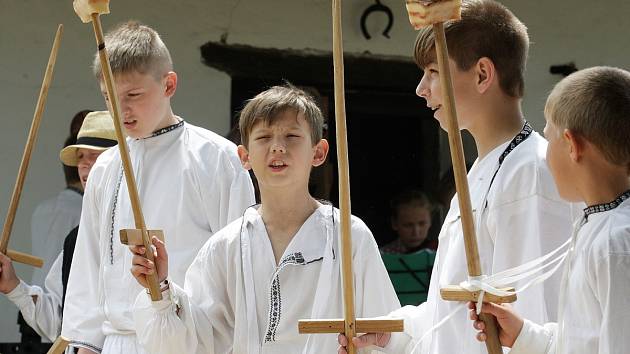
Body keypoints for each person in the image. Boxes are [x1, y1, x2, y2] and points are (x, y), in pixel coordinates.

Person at [339, 1, 573, 352]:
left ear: (482, 74)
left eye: (433, 72)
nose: (421, 88)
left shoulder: (530, 174)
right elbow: (449, 313)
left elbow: (532, 318)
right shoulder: (480, 171)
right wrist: (388, 334)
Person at [130, 84, 400, 353]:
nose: (278, 148)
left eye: (292, 136)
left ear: (318, 152)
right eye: (264, 137)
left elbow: (385, 331)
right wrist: (161, 288)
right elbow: (199, 339)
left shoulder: (349, 237)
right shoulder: (226, 246)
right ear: (244, 156)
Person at [60, 21, 255, 354]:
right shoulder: (106, 167)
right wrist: (85, 344)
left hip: (189, 341)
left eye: (133, 95)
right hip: (116, 341)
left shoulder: (215, 158)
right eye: (109, 98)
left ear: (169, 85)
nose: (121, 111)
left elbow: (239, 264)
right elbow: (88, 263)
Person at [470, 66, 630, 353]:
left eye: (548, 136)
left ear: (571, 145)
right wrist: (523, 334)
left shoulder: (615, 244)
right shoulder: (597, 226)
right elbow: (580, 342)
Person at [1, 111, 117, 343]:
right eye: (81, 156)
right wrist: (13, 286)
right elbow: (60, 323)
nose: (83, 164)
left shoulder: (143, 229)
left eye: (93, 156)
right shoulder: (76, 239)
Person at [30, 110, 91, 286]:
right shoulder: (83, 212)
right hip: (59, 303)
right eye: (81, 157)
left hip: (33, 298)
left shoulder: (41, 209)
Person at [380, 189, 436, 254]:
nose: (416, 232)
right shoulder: (382, 256)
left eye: (422, 224)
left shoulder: (440, 251)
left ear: (430, 221)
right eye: (408, 225)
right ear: (394, 224)